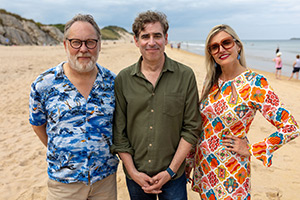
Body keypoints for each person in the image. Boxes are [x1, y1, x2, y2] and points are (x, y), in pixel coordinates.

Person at [186, 24, 299, 200]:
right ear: (210, 53)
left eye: (226, 43)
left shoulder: (255, 83)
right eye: (214, 47)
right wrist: (188, 163)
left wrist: (253, 149)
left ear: (238, 45)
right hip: (205, 168)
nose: (221, 49)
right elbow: (202, 125)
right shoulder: (211, 81)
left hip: (231, 172)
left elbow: (290, 126)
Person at [110, 10, 202, 200]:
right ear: (136, 41)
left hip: (174, 176)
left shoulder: (185, 75)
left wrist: (170, 171)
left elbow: (192, 128)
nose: (151, 42)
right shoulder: (123, 79)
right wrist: (134, 173)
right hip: (136, 177)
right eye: (145, 36)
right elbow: (119, 133)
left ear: (166, 38)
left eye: (157, 36)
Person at [29, 14, 119, 200]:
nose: (83, 49)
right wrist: (62, 150)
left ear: (99, 44)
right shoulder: (44, 84)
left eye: (90, 42)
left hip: (105, 182)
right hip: (63, 184)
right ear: (65, 45)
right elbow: (38, 124)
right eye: (76, 42)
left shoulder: (114, 83)